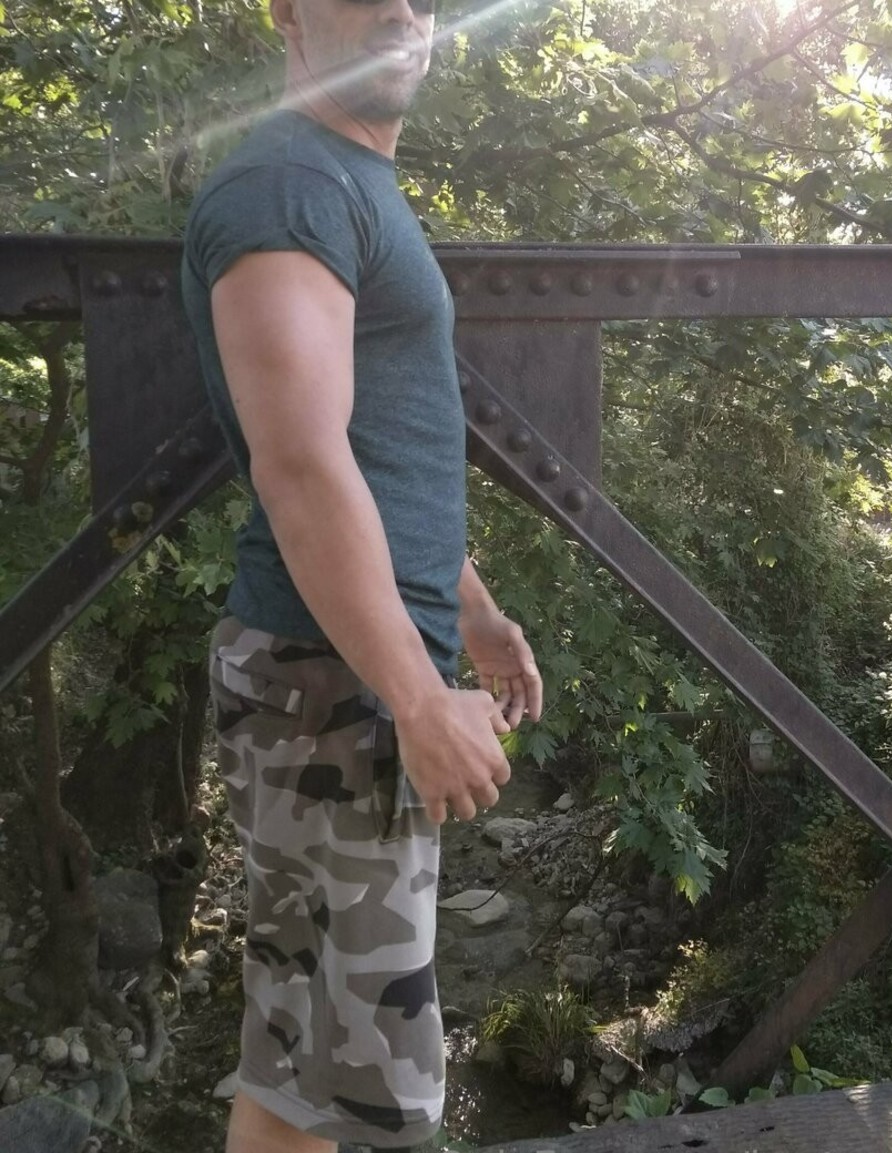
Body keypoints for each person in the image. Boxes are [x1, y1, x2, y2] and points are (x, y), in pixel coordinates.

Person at [181, 0, 543, 1149]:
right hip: (331, 687)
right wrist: (417, 696)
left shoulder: (340, 180)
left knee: (301, 1065)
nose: (403, 11)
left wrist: (473, 612)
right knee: (366, 1089)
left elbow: (378, 454)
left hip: (337, 675)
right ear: (288, 12)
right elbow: (300, 463)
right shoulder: (288, 187)